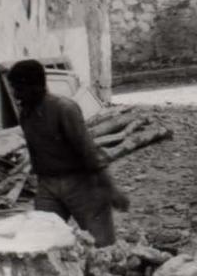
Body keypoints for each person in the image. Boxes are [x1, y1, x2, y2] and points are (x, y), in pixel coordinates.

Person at [8, 60, 129, 246]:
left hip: (82, 184)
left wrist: (110, 188)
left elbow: (88, 152)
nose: (16, 95)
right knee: (42, 245)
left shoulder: (65, 108)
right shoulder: (26, 114)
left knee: (102, 247)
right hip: (47, 186)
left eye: (20, 89)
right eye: (14, 89)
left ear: (37, 86)